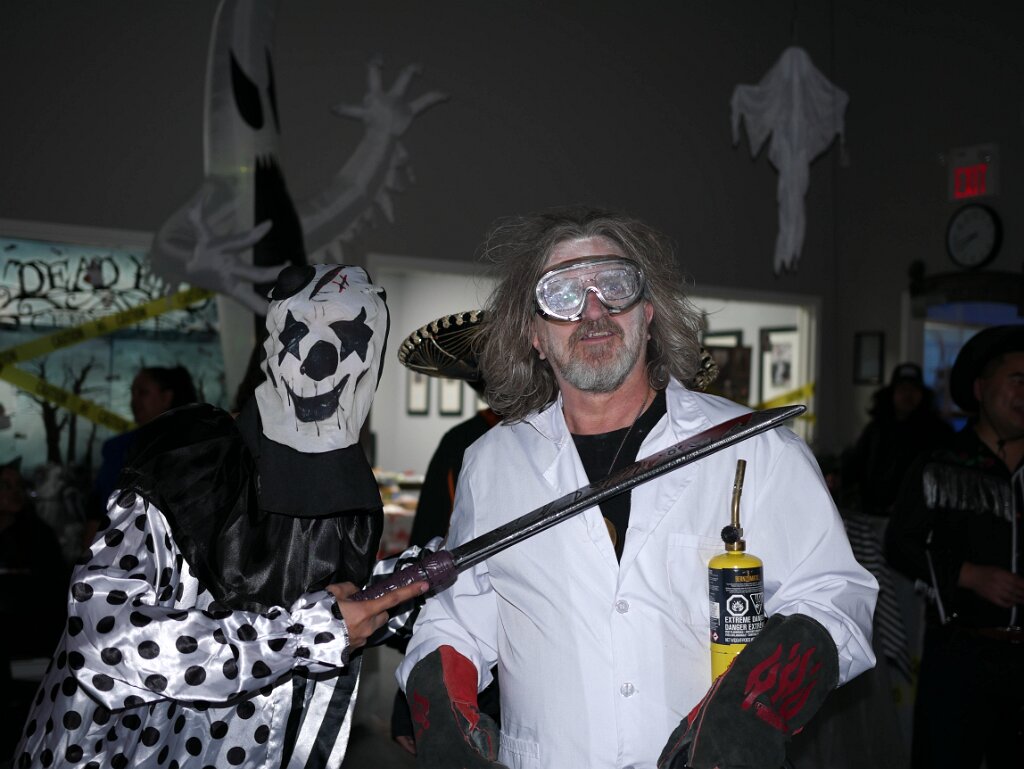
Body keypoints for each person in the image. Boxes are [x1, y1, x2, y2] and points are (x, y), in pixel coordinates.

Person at [397, 206, 878, 769]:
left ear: (648, 312)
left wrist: (750, 710)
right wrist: (441, 715)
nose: (593, 311)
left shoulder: (756, 448)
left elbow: (835, 598)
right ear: (534, 334)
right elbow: (457, 619)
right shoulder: (491, 462)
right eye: (562, 295)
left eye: (615, 285)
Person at [11, 264, 427, 769]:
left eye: (348, 337)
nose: (318, 361)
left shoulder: (345, 495)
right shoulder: (192, 458)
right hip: (120, 751)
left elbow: (308, 602)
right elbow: (105, 635)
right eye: (299, 333)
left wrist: (406, 587)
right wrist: (303, 637)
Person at [885, 325, 1024, 769]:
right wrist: (968, 575)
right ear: (981, 389)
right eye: (1017, 380)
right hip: (961, 654)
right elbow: (898, 544)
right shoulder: (941, 464)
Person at [87, 366, 199, 548]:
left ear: (166, 397)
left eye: (143, 393)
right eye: (132, 393)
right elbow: (99, 508)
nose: (134, 401)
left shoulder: (191, 447)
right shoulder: (118, 448)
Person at [842, 362, 952, 517]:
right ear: (891, 393)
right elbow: (856, 465)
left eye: (914, 389)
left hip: (918, 518)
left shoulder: (938, 433)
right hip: (874, 515)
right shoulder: (875, 430)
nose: (908, 394)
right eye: (902, 389)